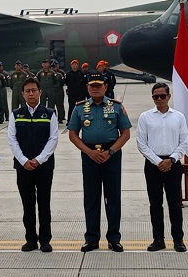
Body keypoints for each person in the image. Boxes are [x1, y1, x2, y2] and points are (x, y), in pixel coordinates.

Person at [67, 72, 131, 253]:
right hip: (89, 156)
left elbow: (125, 133)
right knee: (91, 198)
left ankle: (114, 238)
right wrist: (89, 152)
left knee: (113, 197)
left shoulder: (116, 107)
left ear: (106, 87)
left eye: (99, 85)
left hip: (111, 155)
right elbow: (73, 135)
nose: (95, 88)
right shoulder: (79, 108)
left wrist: (110, 152)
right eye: (92, 85)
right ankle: (92, 238)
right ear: (87, 88)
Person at [7, 78, 58, 252]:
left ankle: (45, 240)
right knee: (28, 205)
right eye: (27, 91)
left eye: (34, 90)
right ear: (23, 93)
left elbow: (53, 140)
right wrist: (23, 160)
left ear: (40, 92)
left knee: (44, 204)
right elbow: (12, 139)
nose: (31, 94)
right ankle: (30, 239)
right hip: (23, 167)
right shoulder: (16, 114)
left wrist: (39, 160)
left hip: (44, 167)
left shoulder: (49, 114)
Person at [136, 83, 188, 253]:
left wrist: (171, 160)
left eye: (162, 96)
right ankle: (158, 239)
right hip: (153, 165)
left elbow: (184, 142)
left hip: (173, 163)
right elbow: (141, 143)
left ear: (168, 96)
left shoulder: (179, 117)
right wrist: (158, 161)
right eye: (155, 96)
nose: (159, 99)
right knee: (155, 204)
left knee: (174, 204)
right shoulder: (145, 117)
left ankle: (178, 239)